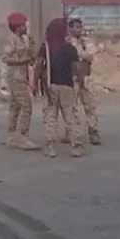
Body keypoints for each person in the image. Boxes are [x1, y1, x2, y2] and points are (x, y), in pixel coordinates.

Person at [36, 17, 83, 158]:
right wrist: (79, 81)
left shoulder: (46, 47)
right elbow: (77, 68)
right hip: (67, 86)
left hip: (50, 85)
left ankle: (50, 147)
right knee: (70, 116)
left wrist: (35, 83)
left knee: (50, 116)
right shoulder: (70, 48)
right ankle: (75, 147)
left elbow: (38, 66)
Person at [2, 12, 38, 150]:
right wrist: (22, 60)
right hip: (16, 77)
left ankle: (11, 135)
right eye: (23, 25)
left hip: (21, 76)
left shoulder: (23, 39)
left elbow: (29, 56)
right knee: (27, 106)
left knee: (15, 107)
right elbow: (6, 58)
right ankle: (22, 136)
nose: (26, 27)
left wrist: (31, 47)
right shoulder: (11, 40)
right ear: (17, 27)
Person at [68, 17, 101, 145]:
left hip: (85, 78)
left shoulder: (85, 42)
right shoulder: (67, 42)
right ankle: (71, 132)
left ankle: (93, 130)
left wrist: (79, 53)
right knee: (71, 107)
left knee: (89, 106)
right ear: (70, 28)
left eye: (80, 27)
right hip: (72, 79)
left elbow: (91, 56)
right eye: (76, 27)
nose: (79, 30)